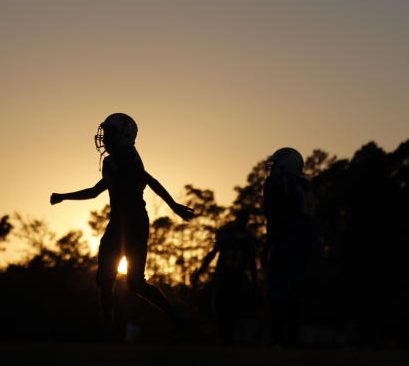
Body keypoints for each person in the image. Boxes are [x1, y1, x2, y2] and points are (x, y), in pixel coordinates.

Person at [50, 112, 194, 337]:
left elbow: (150, 180)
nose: (105, 137)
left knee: (134, 282)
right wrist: (64, 196)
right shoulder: (111, 161)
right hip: (117, 222)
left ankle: (175, 315)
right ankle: (108, 331)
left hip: (134, 221)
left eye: (110, 133)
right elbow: (95, 191)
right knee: (104, 280)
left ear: (125, 135)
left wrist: (173, 205)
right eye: (105, 132)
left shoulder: (128, 157)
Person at [262, 147, 316, 347]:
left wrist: (270, 243)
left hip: (285, 241)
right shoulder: (305, 185)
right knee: (296, 292)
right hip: (306, 243)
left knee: (278, 291)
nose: (273, 167)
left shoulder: (278, 182)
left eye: (276, 163)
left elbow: (275, 212)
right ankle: (294, 337)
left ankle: (278, 337)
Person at [194, 212, 258, 343]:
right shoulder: (227, 236)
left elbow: (252, 262)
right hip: (223, 276)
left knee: (234, 308)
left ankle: (228, 336)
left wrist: (254, 281)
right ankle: (218, 334)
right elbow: (212, 254)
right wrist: (200, 271)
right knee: (217, 305)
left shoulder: (248, 239)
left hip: (237, 278)